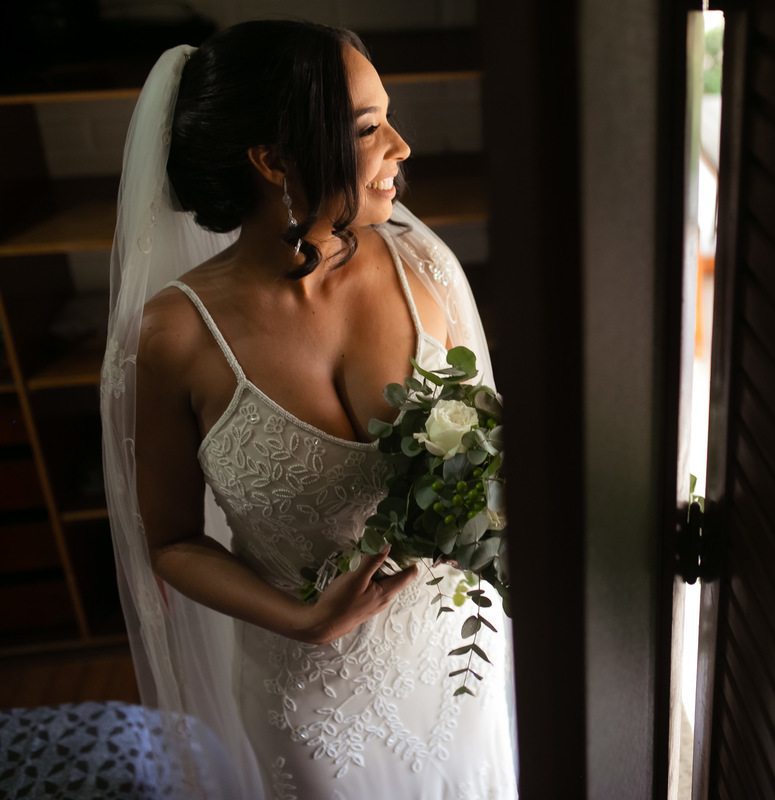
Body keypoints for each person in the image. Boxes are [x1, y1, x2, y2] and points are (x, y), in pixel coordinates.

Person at [100, 20, 517, 799]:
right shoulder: (175, 336)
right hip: (313, 700)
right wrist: (304, 622)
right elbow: (173, 542)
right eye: (367, 127)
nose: (401, 145)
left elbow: (493, 463)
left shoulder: (424, 265)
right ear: (271, 160)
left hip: (459, 665)